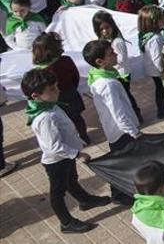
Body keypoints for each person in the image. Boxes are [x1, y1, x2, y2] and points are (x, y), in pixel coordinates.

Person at [22, 68, 111, 234]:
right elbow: (53, 147)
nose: (58, 90)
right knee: (58, 192)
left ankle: (85, 200)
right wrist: (78, 153)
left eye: (56, 86)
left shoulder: (49, 106)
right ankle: (66, 223)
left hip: (66, 156)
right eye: (52, 89)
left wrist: (77, 143)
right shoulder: (45, 117)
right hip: (57, 161)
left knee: (72, 180)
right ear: (36, 96)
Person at [82, 39, 140, 205]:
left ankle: (120, 193)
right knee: (125, 165)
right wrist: (134, 132)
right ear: (100, 61)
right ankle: (122, 195)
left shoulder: (99, 78)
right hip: (122, 132)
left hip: (114, 130)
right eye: (111, 53)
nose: (115, 54)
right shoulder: (108, 84)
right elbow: (118, 112)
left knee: (121, 163)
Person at [32, 32, 90, 144]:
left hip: (55, 100)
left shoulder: (41, 71)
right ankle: (84, 137)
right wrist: (72, 87)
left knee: (61, 122)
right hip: (70, 93)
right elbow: (75, 76)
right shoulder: (66, 60)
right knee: (77, 118)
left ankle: (69, 141)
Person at [93, 10, 143, 122]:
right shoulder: (106, 41)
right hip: (115, 73)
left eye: (107, 27)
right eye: (101, 29)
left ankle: (136, 114)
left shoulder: (117, 42)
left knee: (126, 95)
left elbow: (121, 59)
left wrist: (108, 61)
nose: (105, 31)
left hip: (122, 74)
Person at [138, 5, 164, 119]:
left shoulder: (145, 35)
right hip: (158, 70)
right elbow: (157, 57)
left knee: (159, 89)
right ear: (154, 22)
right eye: (161, 18)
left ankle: (163, 109)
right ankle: (163, 110)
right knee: (163, 89)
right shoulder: (155, 38)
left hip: (152, 69)